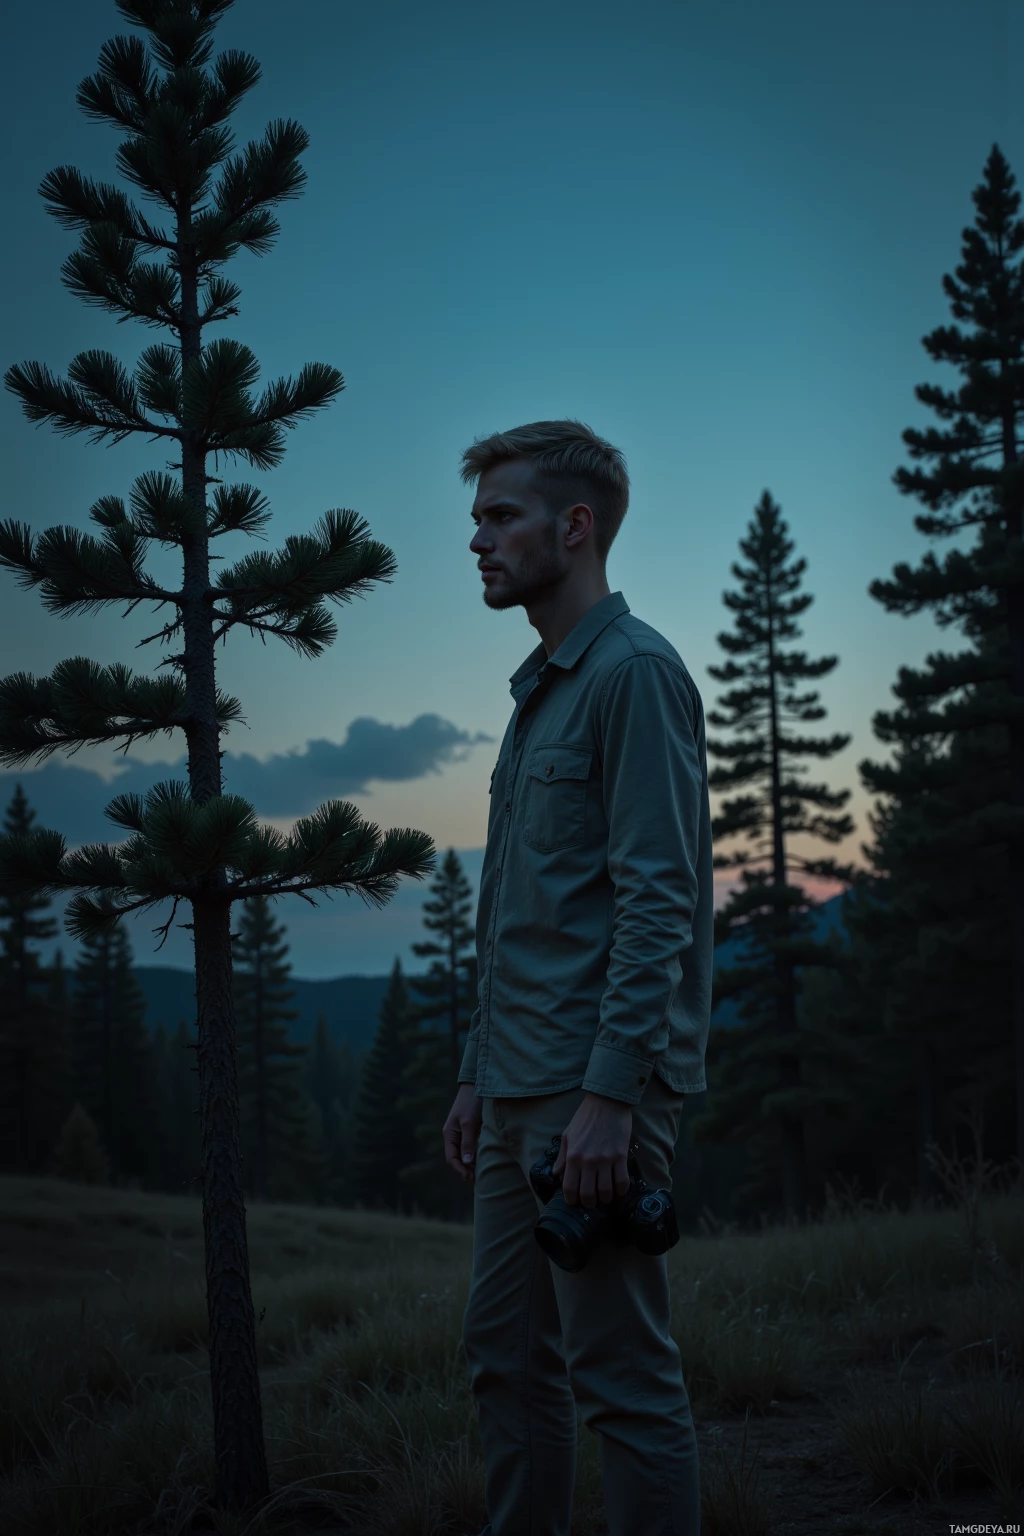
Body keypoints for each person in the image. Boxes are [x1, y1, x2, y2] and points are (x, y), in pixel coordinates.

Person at [443, 420, 713, 1536]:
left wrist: (608, 1098)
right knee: (505, 1368)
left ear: (575, 525)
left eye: (500, 516)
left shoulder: (634, 674)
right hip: (515, 1086)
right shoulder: (542, 689)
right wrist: (472, 1069)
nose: (477, 540)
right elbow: (521, 904)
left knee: (622, 1384)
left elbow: (662, 901)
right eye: (476, 519)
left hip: (588, 1100)